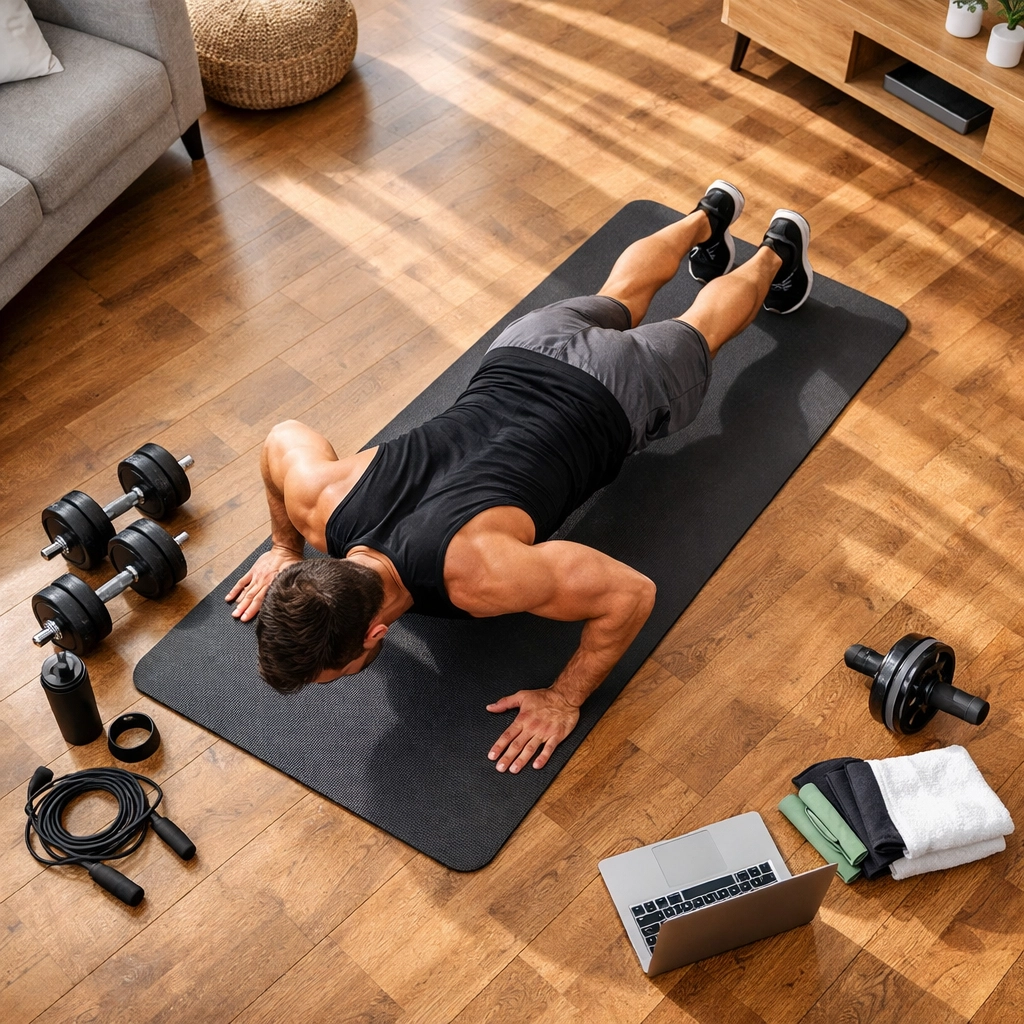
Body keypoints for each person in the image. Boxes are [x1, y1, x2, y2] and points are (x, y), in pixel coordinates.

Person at [226, 180, 814, 775]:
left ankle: (776, 253)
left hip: (613, 393)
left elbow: (630, 595)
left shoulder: (479, 579)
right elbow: (282, 440)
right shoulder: (321, 503)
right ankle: (708, 216)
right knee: (621, 292)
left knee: (701, 328)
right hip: (523, 350)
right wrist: (284, 546)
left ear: (377, 632)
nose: (339, 681)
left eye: (337, 673)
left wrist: (563, 698)